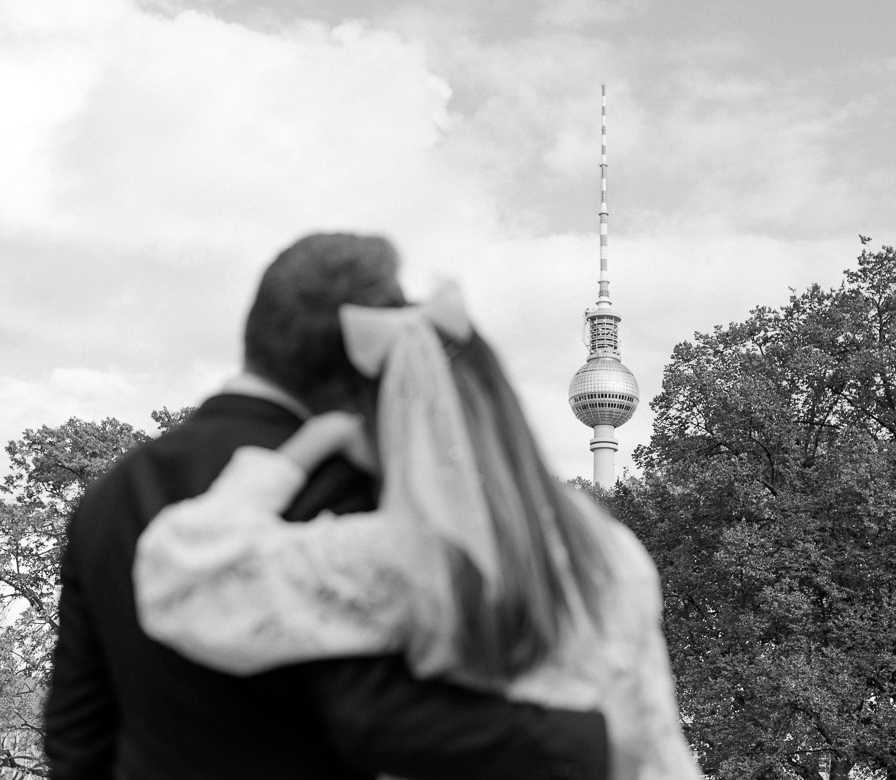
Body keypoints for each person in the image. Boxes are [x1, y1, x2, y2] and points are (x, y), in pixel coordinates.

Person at [44, 234, 610, 780]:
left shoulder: (106, 497)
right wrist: (582, 742)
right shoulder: (348, 482)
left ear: (257, 329)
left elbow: (76, 738)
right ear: (362, 357)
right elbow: (375, 718)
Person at [132, 278, 703, 780]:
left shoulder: (405, 556)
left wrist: (302, 451)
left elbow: (175, 576)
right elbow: (656, 747)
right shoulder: (612, 551)